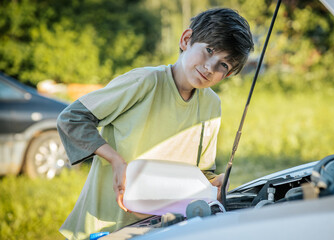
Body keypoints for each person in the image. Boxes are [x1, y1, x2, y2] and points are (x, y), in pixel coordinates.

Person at [57, 7, 253, 240]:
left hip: (162, 227)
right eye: (209, 50)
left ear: (228, 75)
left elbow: (201, 171)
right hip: (107, 225)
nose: (210, 67)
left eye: (223, 65)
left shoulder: (212, 104)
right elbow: (72, 118)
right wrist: (115, 160)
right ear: (186, 39)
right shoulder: (145, 81)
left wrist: (213, 184)